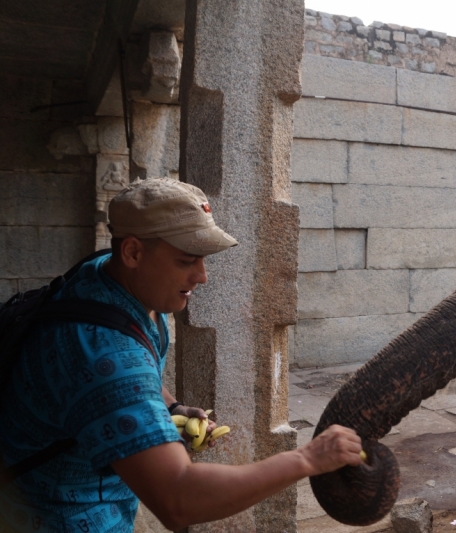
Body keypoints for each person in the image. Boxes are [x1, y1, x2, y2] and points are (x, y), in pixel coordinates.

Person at [0, 178, 362, 532]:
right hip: (63, 515)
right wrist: (307, 458)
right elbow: (177, 499)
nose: (202, 276)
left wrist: (170, 407)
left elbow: (132, 374)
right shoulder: (103, 355)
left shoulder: (104, 273)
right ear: (133, 252)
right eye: (186, 260)